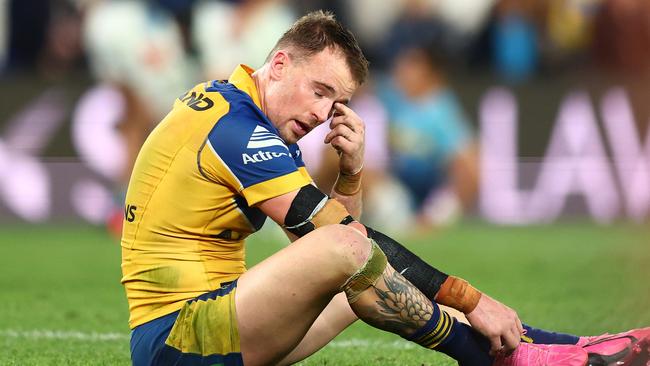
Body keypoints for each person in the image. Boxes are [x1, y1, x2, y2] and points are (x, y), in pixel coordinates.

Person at [121, 11, 650, 366]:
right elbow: (341, 245)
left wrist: (349, 173)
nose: (321, 114)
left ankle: (564, 347)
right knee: (351, 252)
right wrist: (473, 298)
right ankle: (515, 356)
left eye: (335, 103)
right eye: (319, 91)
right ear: (279, 64)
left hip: (217, 322)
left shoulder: (242, 110)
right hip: (181, 337)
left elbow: (330, 253)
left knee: (354, 274)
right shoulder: (235, 129)